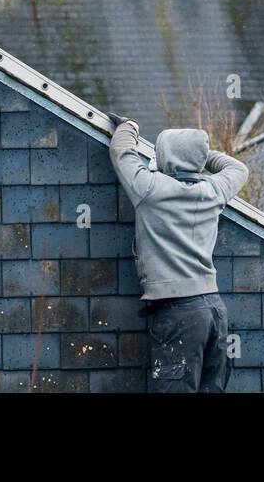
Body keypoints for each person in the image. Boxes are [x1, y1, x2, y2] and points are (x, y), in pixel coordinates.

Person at [107, 113, 250, 392]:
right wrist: (202, 156)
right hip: (214, 310)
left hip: (178, 313)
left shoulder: (149, 188)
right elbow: (238, 168)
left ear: (165, 157)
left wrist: (129, 126)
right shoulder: (213, 190)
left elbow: (121, 151)